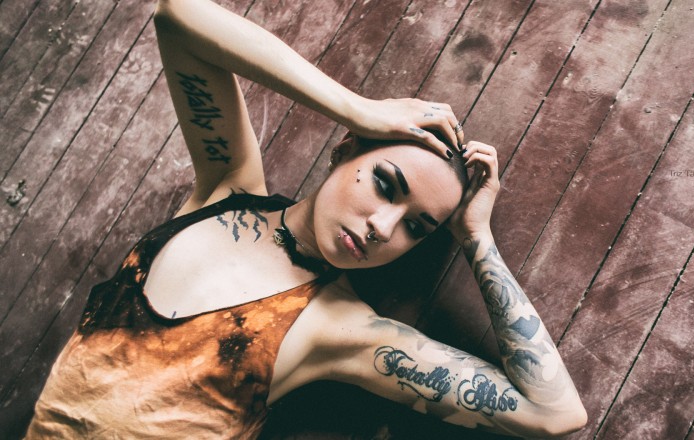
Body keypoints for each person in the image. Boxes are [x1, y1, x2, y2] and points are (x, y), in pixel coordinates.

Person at [25, 0, 587, 438]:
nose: (383, 227)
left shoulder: (338, 327)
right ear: (344, 150)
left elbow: (554, 413)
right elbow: (179, 16)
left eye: (416, 227)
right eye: (385, 184)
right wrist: (358, 108)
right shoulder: (227, 189)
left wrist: (477, 238)